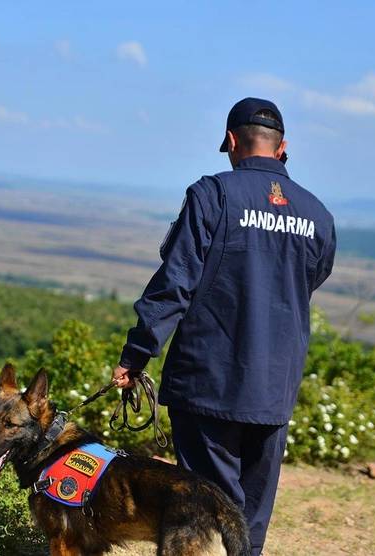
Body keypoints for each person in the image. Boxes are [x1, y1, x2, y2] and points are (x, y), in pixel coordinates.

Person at [113, 97, 336, 555]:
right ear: (282, 147)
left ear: (232, 141)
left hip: (208, 382)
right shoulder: (317, 215)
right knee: (252, 513)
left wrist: (137, 354)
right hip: (274, 387)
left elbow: (175, 283)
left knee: (212, 505)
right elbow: (309, 280)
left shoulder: (212, 195)